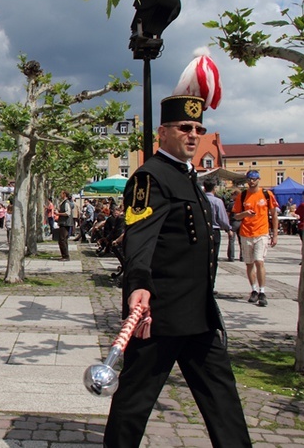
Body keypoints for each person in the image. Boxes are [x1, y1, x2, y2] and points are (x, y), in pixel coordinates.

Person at [103, 91, 251, 447]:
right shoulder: (148, 177)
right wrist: (138, 284)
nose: (193, 134)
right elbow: (140, 236)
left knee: (222, 398)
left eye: (199, 128)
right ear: (163, 133)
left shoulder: (189, 178)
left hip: (198, 314)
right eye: (184, 127)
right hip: (160, 315)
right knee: (135, 401)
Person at [232, 170, 279, 307]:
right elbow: (235, 216)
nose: (251, 181)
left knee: (259, 261)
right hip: (246, 233)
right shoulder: (243, 195)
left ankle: (262, 291)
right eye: (249, 179)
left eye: (254, 179)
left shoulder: (266, 194)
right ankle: (253, 289)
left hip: (261, 232)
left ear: (259, 179)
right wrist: (245, 214)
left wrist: (274, 234)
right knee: (249, 263)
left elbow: (274, 215)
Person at [203, 180, 231, 284]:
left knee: (202, 259)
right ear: (214, 188)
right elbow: (223, 219)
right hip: (214, 232)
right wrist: (228, 228)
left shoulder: (200, 199)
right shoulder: (217, 201)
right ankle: (211, 284)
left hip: (202, 231)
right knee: (213, 259)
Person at [226, 189, 242, 262]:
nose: (232, 196)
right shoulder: (242, 203)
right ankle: (242, 257)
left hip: (233, 222)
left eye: (233, 195)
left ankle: (231, 257)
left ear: (236, 195)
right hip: (241, 222)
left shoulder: (231, 204)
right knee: (241, 240)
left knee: (231, 240)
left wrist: (226, 224)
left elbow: (227, 214)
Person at [56, 191, 73, 261]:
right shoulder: (64, 202)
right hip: (63, 223)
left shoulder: (66, 203)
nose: (60, 195)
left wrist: (58, 214)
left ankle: (66, 256)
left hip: (65, 223)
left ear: (64, 194)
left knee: (62, 239)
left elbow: (68, 213)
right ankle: (64, 255)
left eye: (61, 193)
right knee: (63, 239)